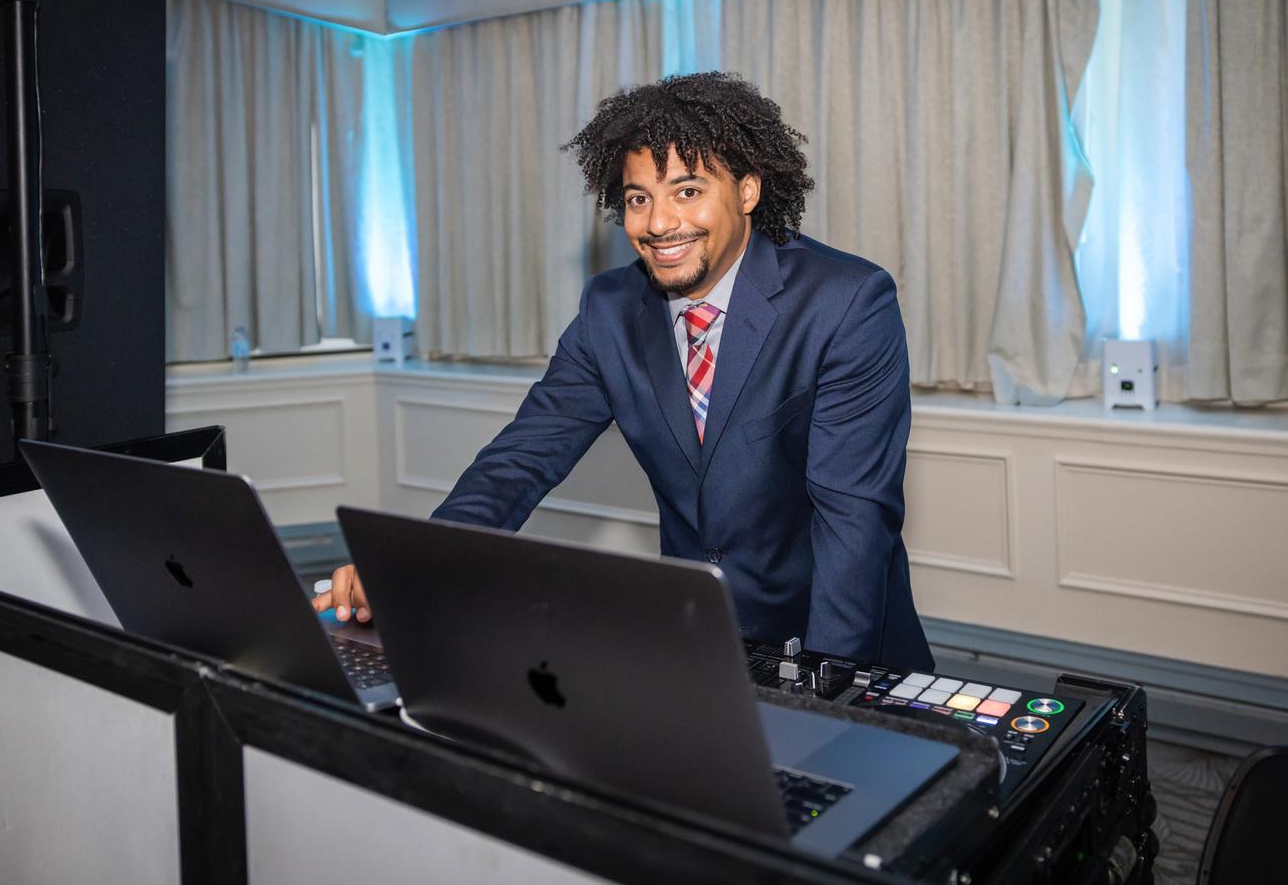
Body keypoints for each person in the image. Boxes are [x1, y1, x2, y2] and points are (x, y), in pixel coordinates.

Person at [313, 71, 933, 670]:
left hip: (835, 638)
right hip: (697, 639)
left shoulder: (846, 301)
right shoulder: (609, 309)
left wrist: (828, 687)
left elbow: (853, 521)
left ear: (747, 191)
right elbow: (521, 458)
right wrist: (409, 570)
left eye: (687, 191)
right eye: (640, 199)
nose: (659, 223)